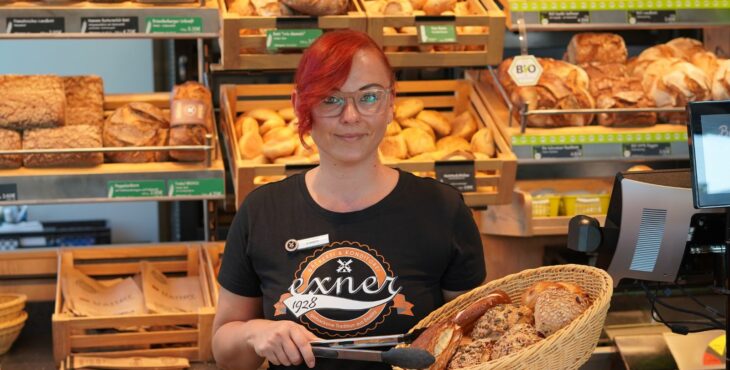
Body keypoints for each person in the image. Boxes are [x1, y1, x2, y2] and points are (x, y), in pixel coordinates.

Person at [212, 29, 486, 370]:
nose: (351, 116)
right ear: (300, 104)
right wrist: (255, 332)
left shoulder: (443, 210)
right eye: (331, 98)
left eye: (368, 97)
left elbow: (474, 340)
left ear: (391, 102)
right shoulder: (263, 211)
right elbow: (225, 351)